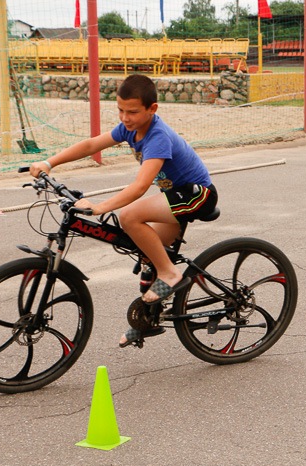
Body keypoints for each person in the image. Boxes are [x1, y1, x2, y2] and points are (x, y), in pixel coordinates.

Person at [29, 74, 218, 347]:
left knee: (129, 216)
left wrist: (100, 207)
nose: (125, 118)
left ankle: (170, 274)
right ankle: (146, 321)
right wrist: (50, 162)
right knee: (147, 251)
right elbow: (91, 145)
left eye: (132, 112)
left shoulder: (158, 136)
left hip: (197, 195)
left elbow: (140, 187)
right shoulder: (130, 128)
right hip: (174, 195)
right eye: (120, 110)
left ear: (152, 109)